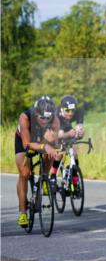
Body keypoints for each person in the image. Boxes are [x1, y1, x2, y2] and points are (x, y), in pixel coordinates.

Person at [13, 96, 61, 227]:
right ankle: (22, 213)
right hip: (24, 141)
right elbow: (27, 144)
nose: (45, 121)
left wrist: (52, 145)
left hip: (41, 140)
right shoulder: (25, 117)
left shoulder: (55, 120)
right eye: (42, 118)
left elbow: (55, 144)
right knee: (25, 173)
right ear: (36, 113)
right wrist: (44, 146)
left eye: (48, 118)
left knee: (51, 152)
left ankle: (43, 177)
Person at [50, 95, 85, 178]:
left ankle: (75, 175)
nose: (70, 113)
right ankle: (53, 175)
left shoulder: (79, 111)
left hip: (67, 126)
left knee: (75, 151)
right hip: (56, 129)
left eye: (72, 110)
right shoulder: (56, 114)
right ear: (62, 109)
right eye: (67, 110)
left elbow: (79, 126)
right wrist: (68, 134)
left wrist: (79, 132)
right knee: (60, 152)